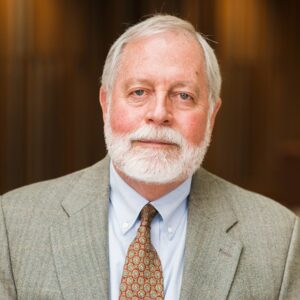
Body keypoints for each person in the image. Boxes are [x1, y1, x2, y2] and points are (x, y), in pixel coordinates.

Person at [0, 14, 299, 300]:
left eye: (183, 96)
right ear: (106, 104)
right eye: (139, 92)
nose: (159, 114)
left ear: (212, 114)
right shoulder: (13, 225)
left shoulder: (279, 238)